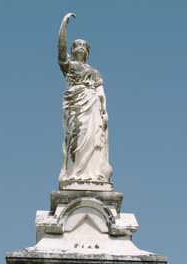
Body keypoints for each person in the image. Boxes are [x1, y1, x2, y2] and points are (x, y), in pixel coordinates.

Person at [57, 13, 113, 183]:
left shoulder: (94, 72)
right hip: (74, 102)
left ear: (87, 52)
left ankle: (92, 173)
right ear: (73, 50)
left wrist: (103, 109)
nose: (80, 47)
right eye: (77, 45)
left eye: (84, 45)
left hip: (92, 101)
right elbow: (60, 50)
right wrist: (63, 27)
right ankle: (74, 173)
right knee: (75, 135)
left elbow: (101, 92)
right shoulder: (69, 66)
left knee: (93, 137)